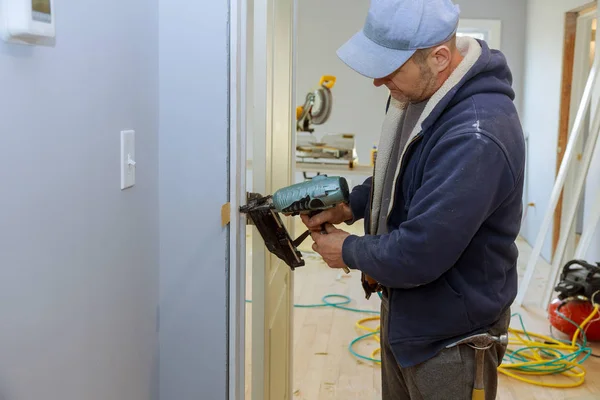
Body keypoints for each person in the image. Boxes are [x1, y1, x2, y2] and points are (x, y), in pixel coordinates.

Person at [300, 0, 526, 399]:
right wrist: (352, 205)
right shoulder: (421, 95)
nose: (378, 81)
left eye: (390, 68)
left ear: (439, 57)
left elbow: (421, 252)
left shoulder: (476, 135)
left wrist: (347, 250)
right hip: (410, 311)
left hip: (453, 337)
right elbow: (404, 173)